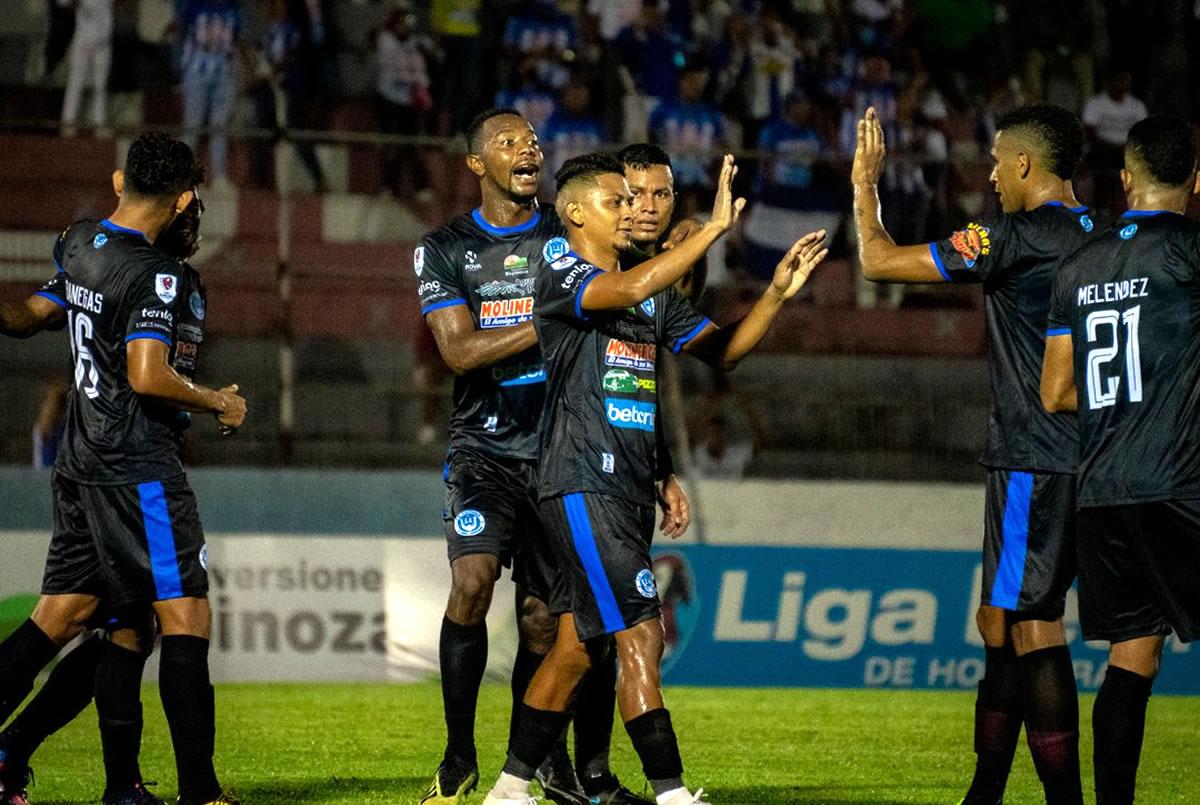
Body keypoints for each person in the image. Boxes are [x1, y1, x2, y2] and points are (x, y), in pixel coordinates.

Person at [481, 152, 826, 805]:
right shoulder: (561, 266)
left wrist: (776, 291)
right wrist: (712, 230)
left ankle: (507, 789)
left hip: (622, 487)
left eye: (641, 198)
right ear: (578, 211)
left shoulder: (650, 294)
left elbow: (723, 352)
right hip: (579, 477)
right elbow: (626, 290)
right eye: (619, 200)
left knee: (579, 646)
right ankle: (671, 794)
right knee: (640, 630)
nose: (633, 209)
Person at [418, 109, 689, 805]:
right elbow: (457, 352)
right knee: (472, 580)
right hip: (484, 446)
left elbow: (636, 348)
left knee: (555, 620)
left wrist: (662, 465)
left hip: (560, 450)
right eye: (508, 142)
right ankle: (457, 755)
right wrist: (554, 312)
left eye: (533, 140)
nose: (527, 149)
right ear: (477, 164)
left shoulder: (572, 236)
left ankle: (550, 767)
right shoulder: (446, 247)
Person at [852, 103, 1095, 805]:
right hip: (1100, 451)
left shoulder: (1009, 237)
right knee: (999, 620)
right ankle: (984, 791)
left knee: (1030, 620)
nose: (989, 175)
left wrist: (865, 184)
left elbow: (876, 259)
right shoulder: (1107, 235)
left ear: (1023, 163)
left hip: (1034, 455)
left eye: (995, 160)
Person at [0, 133, 245, 805]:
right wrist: (216, 399)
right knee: (185, 614)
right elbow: (146, 374)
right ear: (185, 199)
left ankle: (68, 769)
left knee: (76, 617)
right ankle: (201, 790)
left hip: (80, 464)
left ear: (118, 181)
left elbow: (26, 317)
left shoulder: (80, 242)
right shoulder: (156, 275)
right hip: (135, 464)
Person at [1041, 114, 1200, 805]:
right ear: (1196, 182)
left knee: (1131, 654)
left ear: (1127, 178)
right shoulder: (1191, 254)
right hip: (1179, 479)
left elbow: (1055, 390)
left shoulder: (1079, 264)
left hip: (1102, 489)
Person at [179, 0, 242, 187]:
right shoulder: (194, 6)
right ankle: (180, 176)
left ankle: (219, 176)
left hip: (223, 73)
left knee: (219, 127)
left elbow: (235, 39)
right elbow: (184, 30)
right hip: (197, 72)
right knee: (192, 125)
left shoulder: (234, 9)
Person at [60, 0, 113, 137]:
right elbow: (63, 2)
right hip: (83, 41)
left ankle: (99, 124)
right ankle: (68, 123)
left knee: (100, 86)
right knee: (76, 83)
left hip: (103, 42)